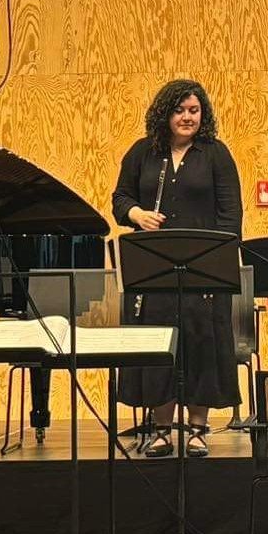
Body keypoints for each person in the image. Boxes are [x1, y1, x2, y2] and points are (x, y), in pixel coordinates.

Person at [112, 79, 245, 458]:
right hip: (155, 270)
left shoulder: (216, 153)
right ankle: (161, 430)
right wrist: (137, 214)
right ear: (164, 114)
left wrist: (217, 257)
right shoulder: (142, 152)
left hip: (203, 271)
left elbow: (231, 213)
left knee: (201, 346)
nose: (187, 117)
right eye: (180, 110)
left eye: (194, 110)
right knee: (159, 347)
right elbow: (120, 198)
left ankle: (198, 429)